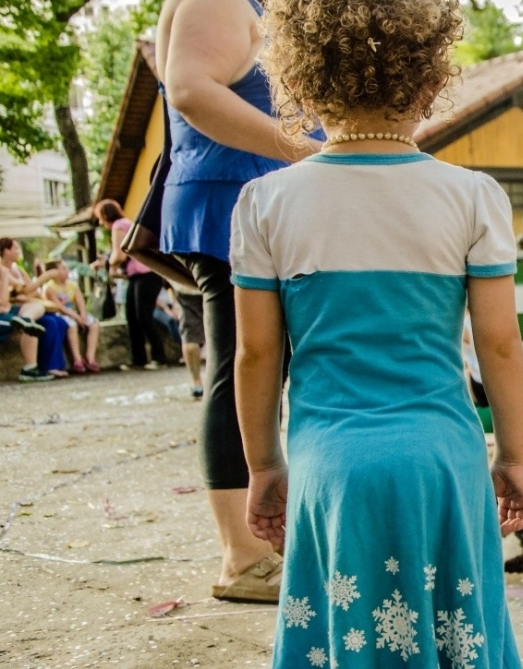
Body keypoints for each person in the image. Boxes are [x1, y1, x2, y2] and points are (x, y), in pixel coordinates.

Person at [233, 1, 523, 665]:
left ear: (299, 83)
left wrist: (263, 465)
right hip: (443, 463)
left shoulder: (265, 203)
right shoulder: (473, 196)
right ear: (431, 81)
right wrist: (513, 456)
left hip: (330, 468)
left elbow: (255, 354)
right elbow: (500, 344)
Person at [156, 0, 323, 604]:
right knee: (244, 365)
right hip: (231, 201)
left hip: (259, 201)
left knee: (266, 368)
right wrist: (311, 152)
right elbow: (190, 88)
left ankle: (265, 541)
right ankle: (244, 557)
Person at [94, 199, 168, 371]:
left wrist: (109, 265)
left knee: (143, 316)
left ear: (105, 215)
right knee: (133, 316)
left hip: (146, 274)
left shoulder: (119, 226)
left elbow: (119, 255)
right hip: (138, 275)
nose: (100, 222)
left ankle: (159, 357)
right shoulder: (127, 223)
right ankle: (138, 358)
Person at [0, 238, 59, 382]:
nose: (18, 251)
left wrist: (25, 294)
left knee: (41, 316)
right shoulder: (3, 270)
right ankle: (31, 368)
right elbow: (4, 302)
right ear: (6, 251)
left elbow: (26, 289)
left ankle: (25, 321)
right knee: (44, 323)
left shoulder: (15, 270)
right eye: (15, 248)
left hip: (14, 311)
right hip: (5, 313)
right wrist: (45, 276)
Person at [41, 259, 101, 374]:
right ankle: (77, 359)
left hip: (74, 312)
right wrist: (76, 317)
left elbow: (80, 302)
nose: (67, 270)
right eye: (63, 268)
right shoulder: (49, 288)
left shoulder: (72, 285)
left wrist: (82, 315)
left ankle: (90, 357)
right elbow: (59, 307)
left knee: (94, 324)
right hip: (61, 313)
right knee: (72, 326)